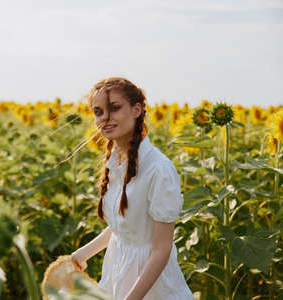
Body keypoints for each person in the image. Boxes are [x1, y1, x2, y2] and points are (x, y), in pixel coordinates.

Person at [71, 77, 193, 300]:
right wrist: (81, 255)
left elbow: (161, 249)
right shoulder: (115, 163)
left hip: (151, 286)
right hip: (118, 273)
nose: (105, 118)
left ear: (137, 110)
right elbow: (124, 228)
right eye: (98, 112)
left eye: (115, 108)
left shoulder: (158, 169)